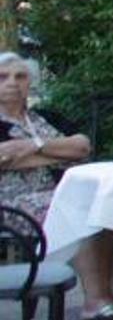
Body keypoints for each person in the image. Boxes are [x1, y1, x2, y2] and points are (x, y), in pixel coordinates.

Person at [0, 52, 91, 222]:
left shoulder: (48, 117)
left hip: (64, 193)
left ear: (30, 83)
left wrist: (34, 145)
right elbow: (4, 158)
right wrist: (63, 153)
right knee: (85, 213)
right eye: (2, 77)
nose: (12, 82)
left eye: (20, 77)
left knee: (112, 204)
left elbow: (83, 147)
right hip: (12, 206)